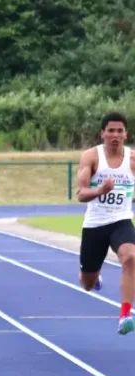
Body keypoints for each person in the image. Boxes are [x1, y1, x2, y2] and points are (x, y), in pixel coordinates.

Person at [74, 112, 135, 335]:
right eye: (111, 131)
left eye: (120, 131)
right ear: (103, 134)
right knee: (87, 284)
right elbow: (80, 194)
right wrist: (100, 190)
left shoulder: (132, 160)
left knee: (131, 257)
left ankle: (125, 315)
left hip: (121, 221)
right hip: (95, 224)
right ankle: (94, 277)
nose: (115, 135)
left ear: (126, 134)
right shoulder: (91, 157)